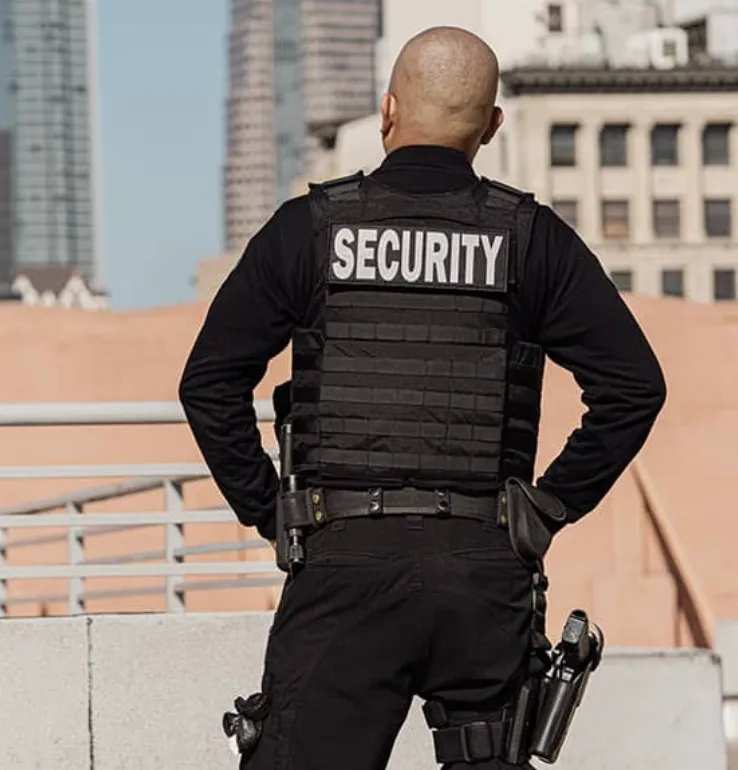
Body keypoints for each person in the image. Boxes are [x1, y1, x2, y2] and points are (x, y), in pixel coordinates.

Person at [179, 25, 666, 770]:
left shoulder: (308, 230)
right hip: (483, 572)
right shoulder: (531, 239)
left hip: (344, 565)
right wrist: (545, 508)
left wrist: (267, 509)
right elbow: (633, 386)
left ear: (387, 111)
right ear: (491, 126)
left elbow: (210, 382)